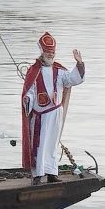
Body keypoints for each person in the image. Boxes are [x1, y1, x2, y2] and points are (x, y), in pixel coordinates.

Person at [21, 32, 86, 185]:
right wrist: (27, 99)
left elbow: (73, 79)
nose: (50, 55)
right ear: (42, 53)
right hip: (40, 115)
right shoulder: (33, 71)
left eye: (52, 53)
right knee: (39, 144)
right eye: (47, 52)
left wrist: (80, 64)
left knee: (52, 144)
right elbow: (30, 91)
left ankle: (51, 172)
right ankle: (37, 174)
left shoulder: (60, 70)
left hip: (55, 112)